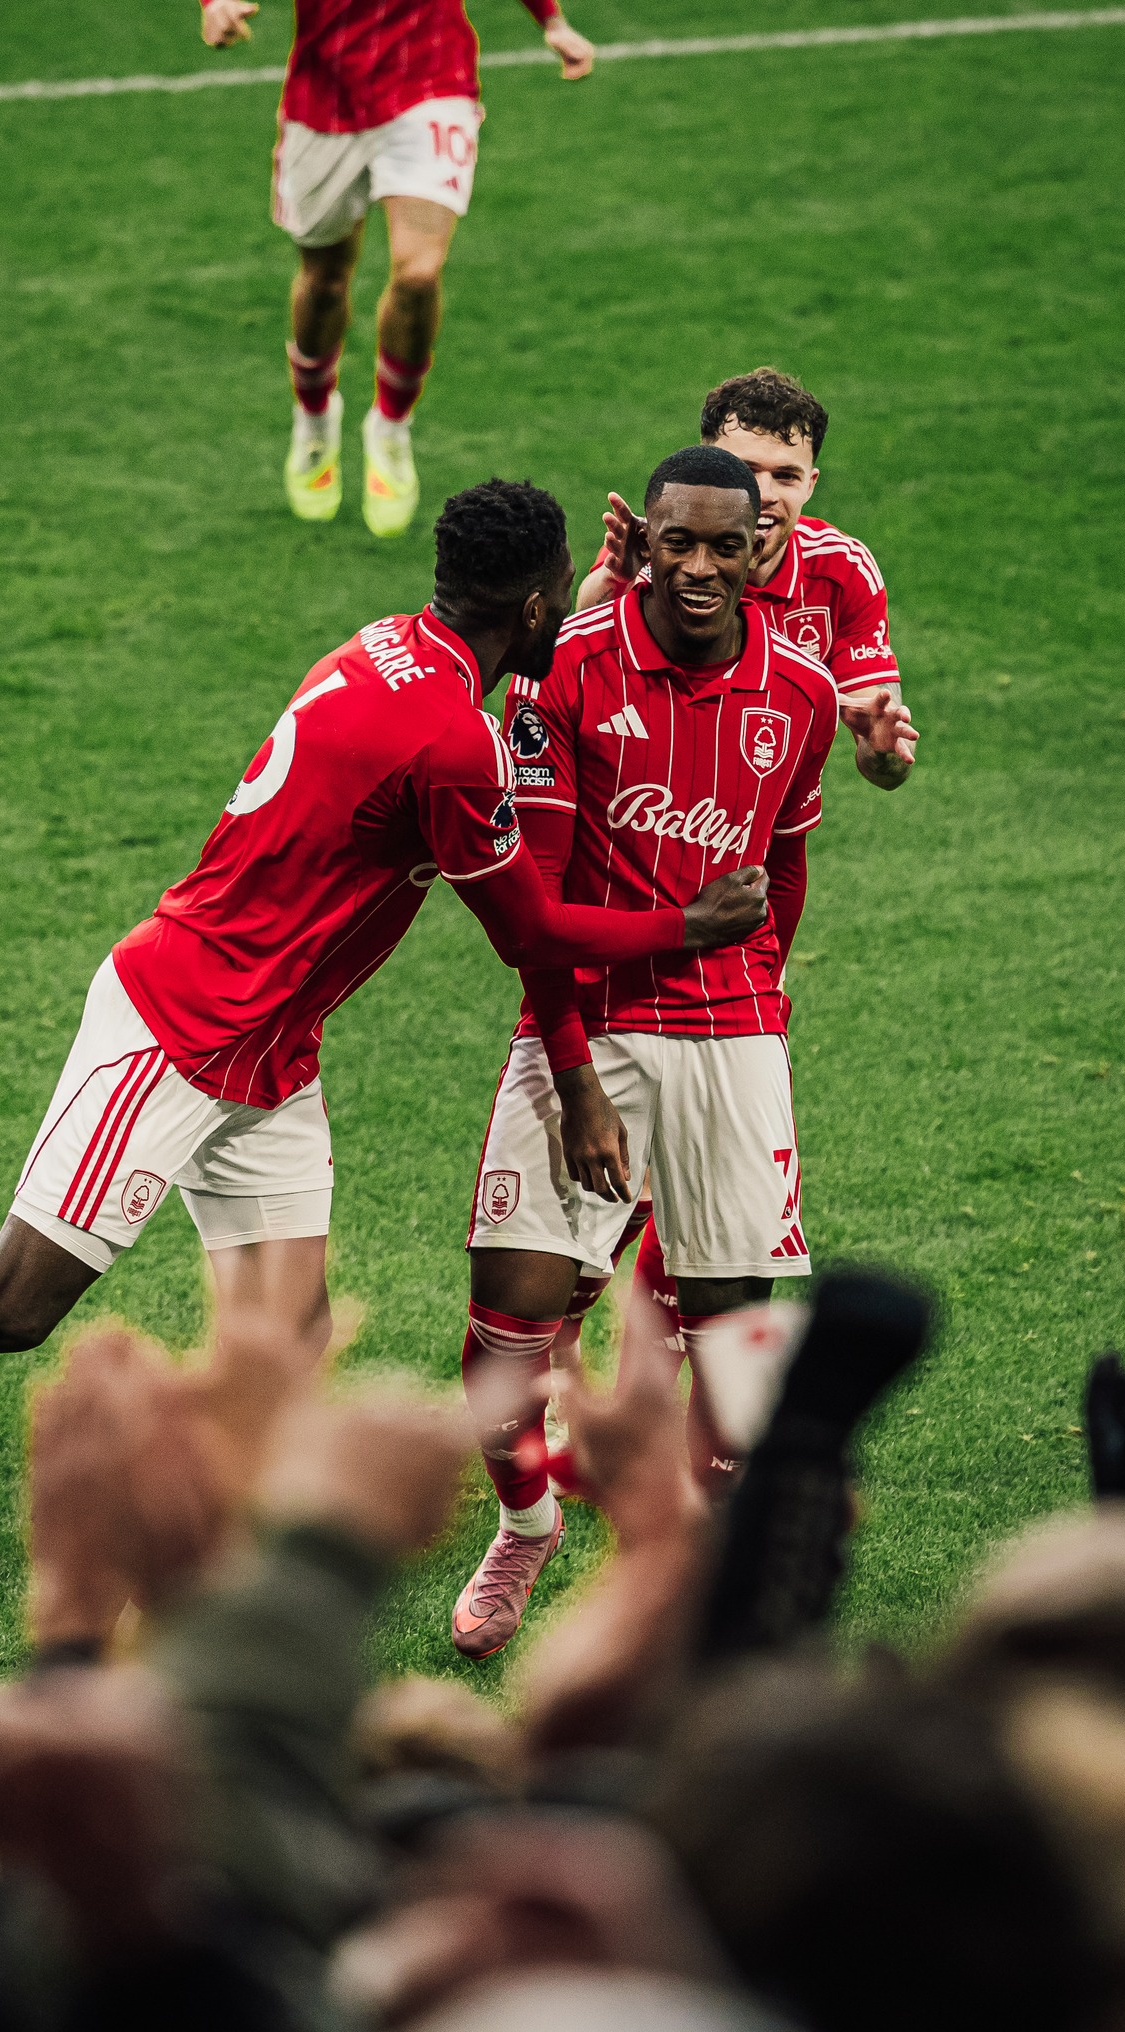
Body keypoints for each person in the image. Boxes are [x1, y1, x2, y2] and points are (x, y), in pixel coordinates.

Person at [0, 482, 768, 1383]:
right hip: (182, 1025)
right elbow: (531, 929)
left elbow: (510, 665)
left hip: (269, 1051)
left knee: (283, 1346)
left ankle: (203, 1581)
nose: (570, 612)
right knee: (8, 1301)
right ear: (529, 606)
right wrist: (691, 921)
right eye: (560, 596)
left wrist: (601, 587)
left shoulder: (392, 650)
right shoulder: (452, 745)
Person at [448, 445, 911, 1660]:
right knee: (510, 1314)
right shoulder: (563, 683)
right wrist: (575, 1074)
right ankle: (528, 1524)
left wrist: (765, 994)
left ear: (766, 548)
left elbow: (787, 860)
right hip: (587, 1022)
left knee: (731, 1321)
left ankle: (712, 1561)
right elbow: (536, 912)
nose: (698, 567)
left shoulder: (802, 691)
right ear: (643, 541)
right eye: (676, 542)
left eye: (726, 544)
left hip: (733, 1031)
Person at [560, 368, 921, 1490]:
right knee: (593, 1211)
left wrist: (883, 755)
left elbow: (869, 726)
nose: (764, 498)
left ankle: (710, 1462)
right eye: (746, 468)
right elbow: (560, 693)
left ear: (815, 481)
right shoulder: (666, 554)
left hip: (747, 926)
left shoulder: (840, 574)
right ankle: (572, 1404)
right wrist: (597, 585)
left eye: (786, 476)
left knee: (726, 1225)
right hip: (621, 927)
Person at [199, 0, 596, 536]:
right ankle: (315, 418)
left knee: (419, 274)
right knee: (324, 280)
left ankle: (391, 425)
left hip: (432, 83)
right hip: (326, 97)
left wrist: (552, 21)